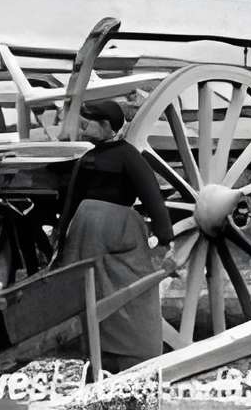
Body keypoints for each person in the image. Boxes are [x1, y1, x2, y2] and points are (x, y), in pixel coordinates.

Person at [55, 97, 176, 365]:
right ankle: (131, 349)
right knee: (133, 286)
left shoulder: (90, 158)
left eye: (88, 126)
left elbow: (71, 201)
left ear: (106, 125)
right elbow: (152, 196)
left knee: (90, 285)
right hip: (115, 225)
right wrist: (165, 237)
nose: (84, 132)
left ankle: (100, 349)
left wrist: (62, 236)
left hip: (85, 226)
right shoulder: (128, 156)